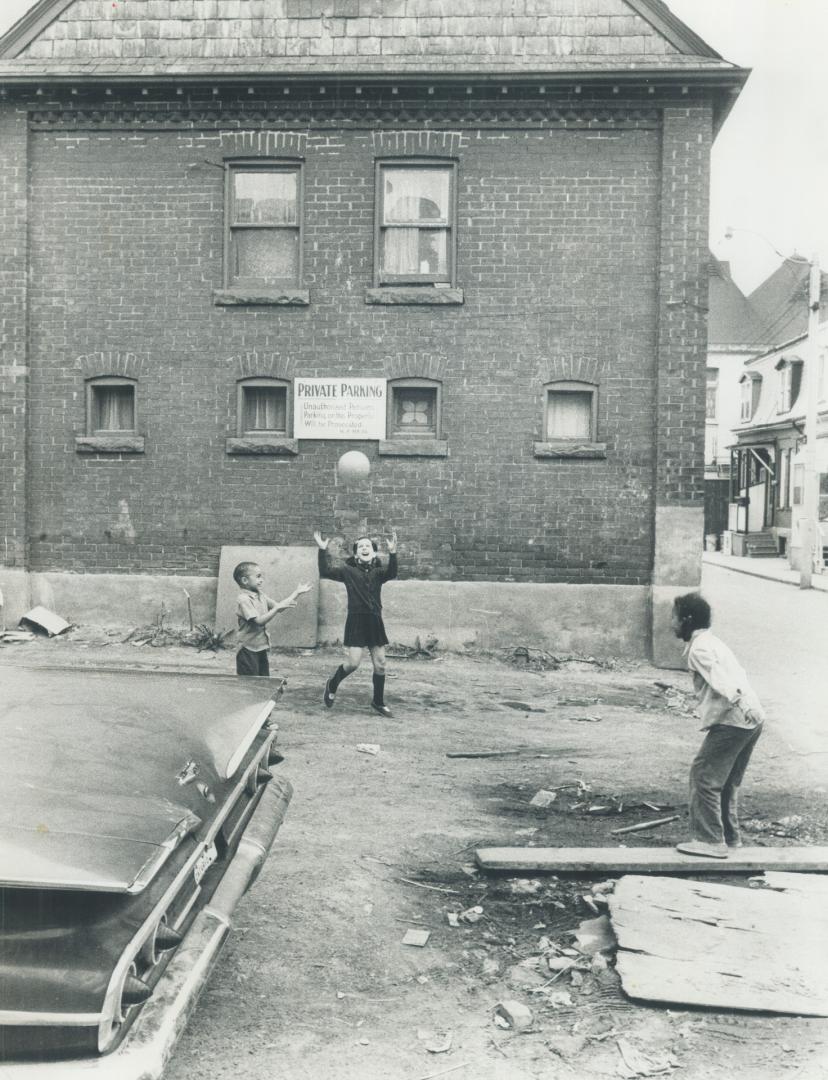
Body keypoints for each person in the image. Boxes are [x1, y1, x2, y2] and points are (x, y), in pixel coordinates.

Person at [671, 592, 765, 858]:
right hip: (751, 717)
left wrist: (740, 703)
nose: (672, 624)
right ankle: (731, 839)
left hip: (735, 718)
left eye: (674, 618)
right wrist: (748, 706)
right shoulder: (713, 642)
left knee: (703, 775)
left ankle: (710, 840)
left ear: (687, 620)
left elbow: (721, 677)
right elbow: (738, 675)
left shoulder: (700, 647)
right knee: (725, 782)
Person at [314, 529, 398, 717]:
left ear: (374, 552)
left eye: (368, 546)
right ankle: (333, 683)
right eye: (361, 546)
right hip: (356, 621)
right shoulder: (347, 571)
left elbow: (392, 572)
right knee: (353, 664)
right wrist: (322, 550)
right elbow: (325, 571)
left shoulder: (378, 573)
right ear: (356, 553)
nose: (365, 548)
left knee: (381, 663)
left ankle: (378, 702)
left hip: (375, 620)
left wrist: (393, 553)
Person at [233, 561, 312, 677]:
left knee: (264, 681)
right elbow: (259, 621)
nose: (262, 580)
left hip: (260, 647)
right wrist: (276, 609)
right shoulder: (244, 599)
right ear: (245, 580)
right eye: (258, 576)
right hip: (247, 650)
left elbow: (279, 607)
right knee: (249, 683)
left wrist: (296, 593)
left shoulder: (260, 594)